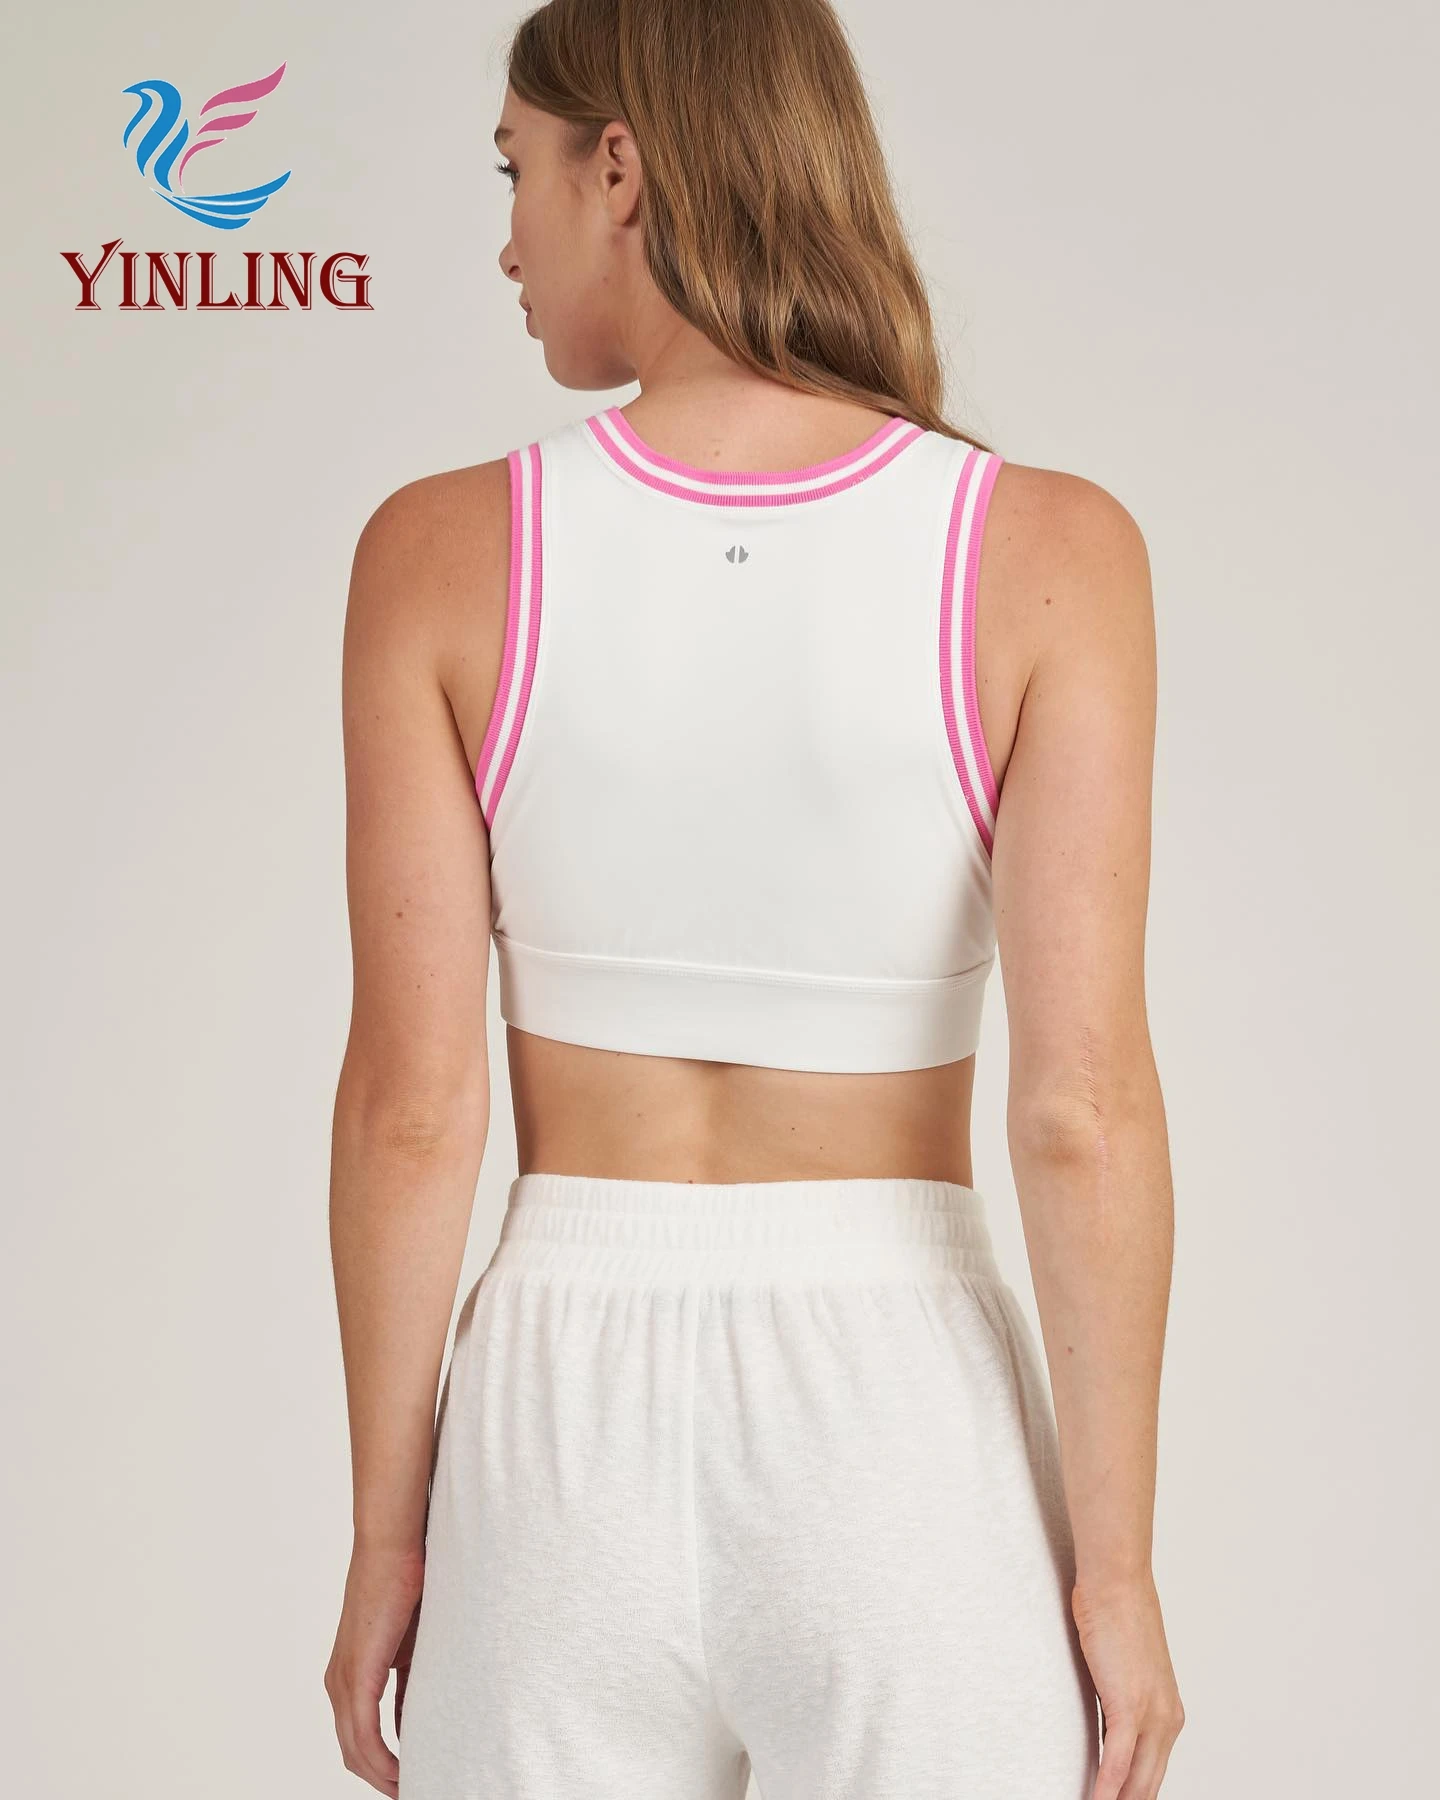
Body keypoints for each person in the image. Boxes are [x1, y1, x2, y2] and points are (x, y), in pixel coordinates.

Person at [323, 1, 1184, 1796]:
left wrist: (391, 1540)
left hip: (556, 1428)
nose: (506, 239)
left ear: (620, 169)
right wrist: (1115, 1570)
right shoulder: (1045, 552)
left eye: (515, 170)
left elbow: (413, 1110)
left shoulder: (438, 553)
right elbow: (1081, 1112)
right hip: (901, 1418)